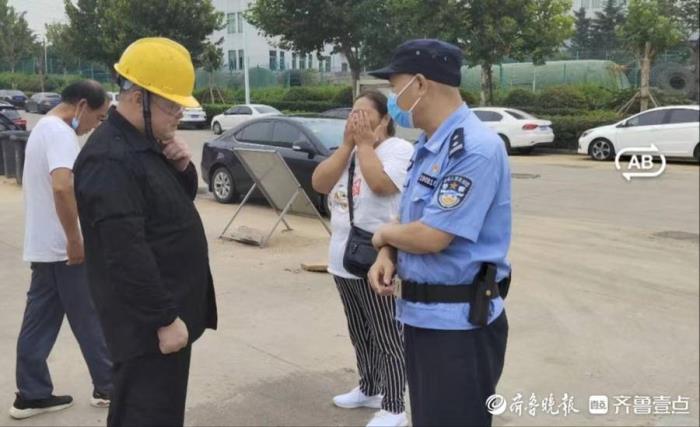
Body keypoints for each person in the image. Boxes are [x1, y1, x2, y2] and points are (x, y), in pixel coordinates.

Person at [366, 39, 512, 427]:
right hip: (422, 318)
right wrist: (388, 253)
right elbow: (410, 219)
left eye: (395, 87)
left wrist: (382, 236)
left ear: (420, 84)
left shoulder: (474, 149)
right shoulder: (430, 144)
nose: (393, 99)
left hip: (459, 328)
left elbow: (432, 236)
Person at [73, 37, 217, 427]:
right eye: (172, 107)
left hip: (166, 320)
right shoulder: (110, 158)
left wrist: (181, 168)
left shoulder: (144, 143)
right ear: (139, 99)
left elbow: (167, 208)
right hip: (147, 330)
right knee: (145, 414)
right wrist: (164, 319)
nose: (178, 116)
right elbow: (125, 252)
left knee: (158, 413)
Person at [11, 80, 112, 419]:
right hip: (63, 249)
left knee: (39, 322)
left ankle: (32, 393)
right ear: (81, 106)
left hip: (45, 247)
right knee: (90, 315)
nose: (95, 126)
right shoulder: (60, 133)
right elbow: (62, 186)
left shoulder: (44, 127)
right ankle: (109, 385)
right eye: (98, 117)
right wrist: (74, 239)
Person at [312, 91, 413, 427]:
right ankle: (369, 388)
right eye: (352, 114)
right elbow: (320, 182)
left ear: (385, 119)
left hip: (377, 260)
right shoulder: (350, 152)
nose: (356, 120)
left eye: (364, 114)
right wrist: (347, 146)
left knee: (387, 336)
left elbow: (382, 185)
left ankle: (394, 406)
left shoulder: (398, 150)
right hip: (343, 258)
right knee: (360, 332)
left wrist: (366, 145)